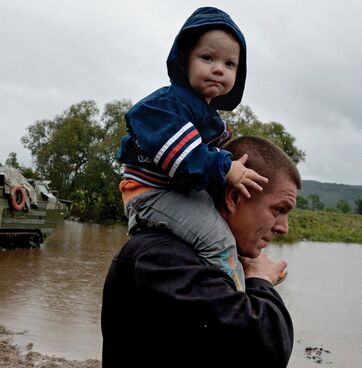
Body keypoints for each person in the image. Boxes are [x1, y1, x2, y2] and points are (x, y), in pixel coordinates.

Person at [102, 136, 300, 367]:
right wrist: (261, 281)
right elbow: (266, 350)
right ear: (235, 197)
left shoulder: (189, 258)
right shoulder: (163, 258)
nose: (283, 228)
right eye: (279, 209)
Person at [115, 7, 267, 291]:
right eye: (207, 58)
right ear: (185, 60)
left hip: (177, 193)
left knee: (227, 229)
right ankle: (231, 303)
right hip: (152, 195)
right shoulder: (164, 106)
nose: (219, 68)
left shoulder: (209, 117)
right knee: (218, 242)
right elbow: (183, 159)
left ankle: (237, 274)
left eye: (230, 64)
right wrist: (227, 167)